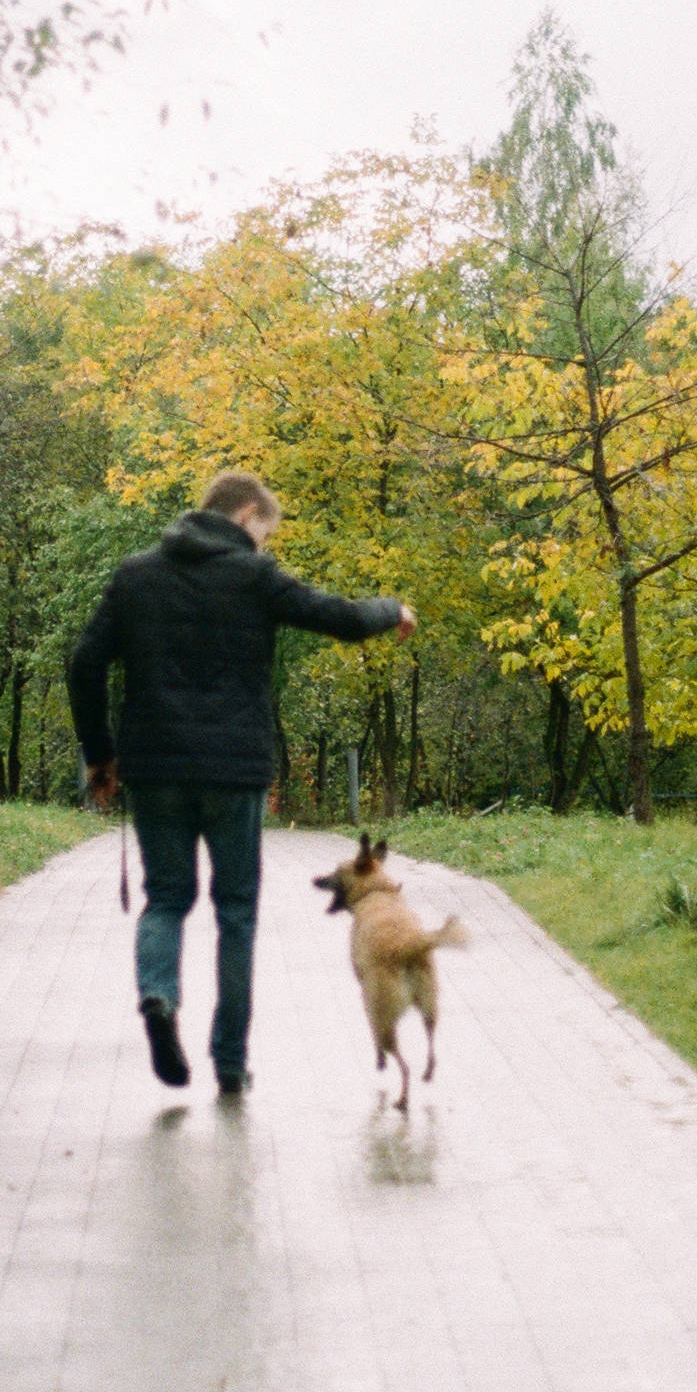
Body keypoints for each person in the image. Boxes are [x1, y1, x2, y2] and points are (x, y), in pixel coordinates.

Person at [68, 469, 416, 1095]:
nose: (266, 545)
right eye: (265, 532)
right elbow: (334, 616)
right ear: (248, 512)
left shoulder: (136, 574)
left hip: (155, 769)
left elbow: (84, 662)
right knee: (236, 913)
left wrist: (100, 756)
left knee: (167, 898)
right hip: (234, 772)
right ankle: (229, 1062)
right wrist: (391, 610)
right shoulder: (254, 577)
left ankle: (158, 997)